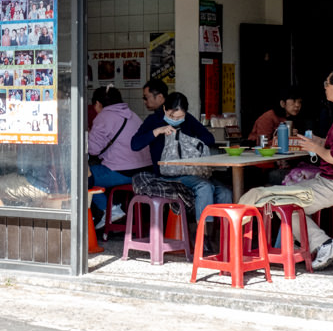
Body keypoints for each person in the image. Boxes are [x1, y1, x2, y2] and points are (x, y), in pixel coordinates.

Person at [239, 68, 333, 271]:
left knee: (277, 200)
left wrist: (315, 148)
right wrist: (320, 142)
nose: (325, 89)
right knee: (285, 201)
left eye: (327, 84)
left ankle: (323, 244)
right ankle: (311, 243)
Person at [131, 91, 231, 225]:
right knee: (204, 186)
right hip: (168, 174)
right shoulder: (154, 121)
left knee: (225, 193)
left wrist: (187, 141)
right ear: (165, 109)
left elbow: (209, 138)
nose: (176, 120)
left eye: (180, 117)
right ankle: (203, 237)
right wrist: (157, 132)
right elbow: (135, 144)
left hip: (191, 172)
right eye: (172, 116)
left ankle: (224, 238)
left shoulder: (188, 120)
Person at [88, 85, 151, 226]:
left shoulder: (103, 116)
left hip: (122, 172)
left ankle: (110, 210)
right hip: (143, 170)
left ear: (98, 103)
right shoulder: (132, 114)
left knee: (82, 176)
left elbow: (93, 150)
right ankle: (111, 209)